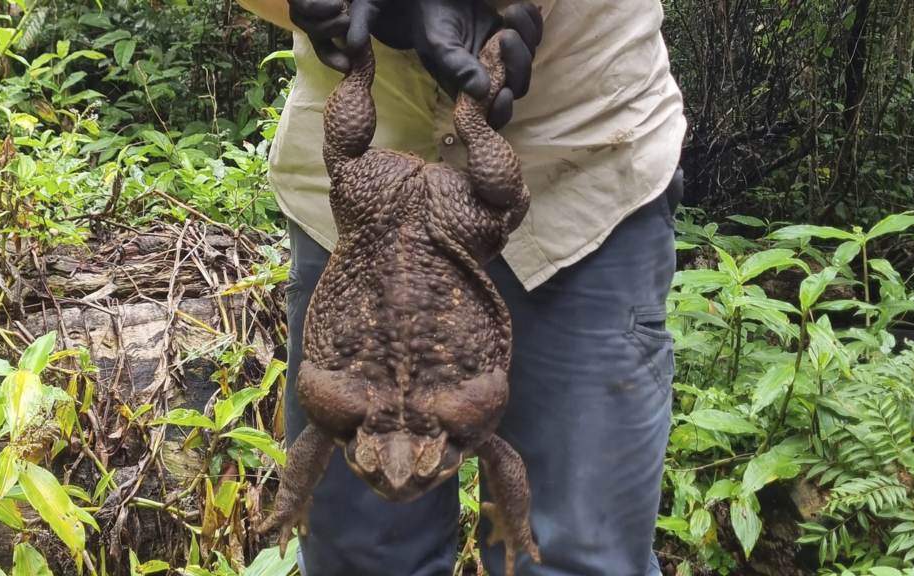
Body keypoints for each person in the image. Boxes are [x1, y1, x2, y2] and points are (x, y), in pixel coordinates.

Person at [234, 0, 687, 574]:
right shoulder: (417, 420)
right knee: (359, 559)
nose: (397, 479)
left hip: (578, 164)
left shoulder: (420, 418)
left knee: (575, 556)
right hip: (372, 207)